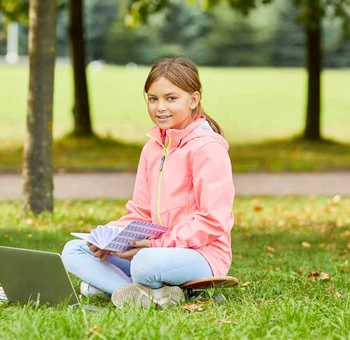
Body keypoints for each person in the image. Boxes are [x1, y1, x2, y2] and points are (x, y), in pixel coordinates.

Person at [62, 57, 235, 308]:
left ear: (194, 99)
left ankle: (116, 285)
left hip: (202, 254)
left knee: (144, 264)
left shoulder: (207, 148)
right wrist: (111, 238)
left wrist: (156, 245)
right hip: (154, 249)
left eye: (171, 98)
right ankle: (143, 295)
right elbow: (140, 212)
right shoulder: (152, 149)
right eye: (153, 99)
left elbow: (213, 220)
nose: (160, 107)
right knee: (74, 250)